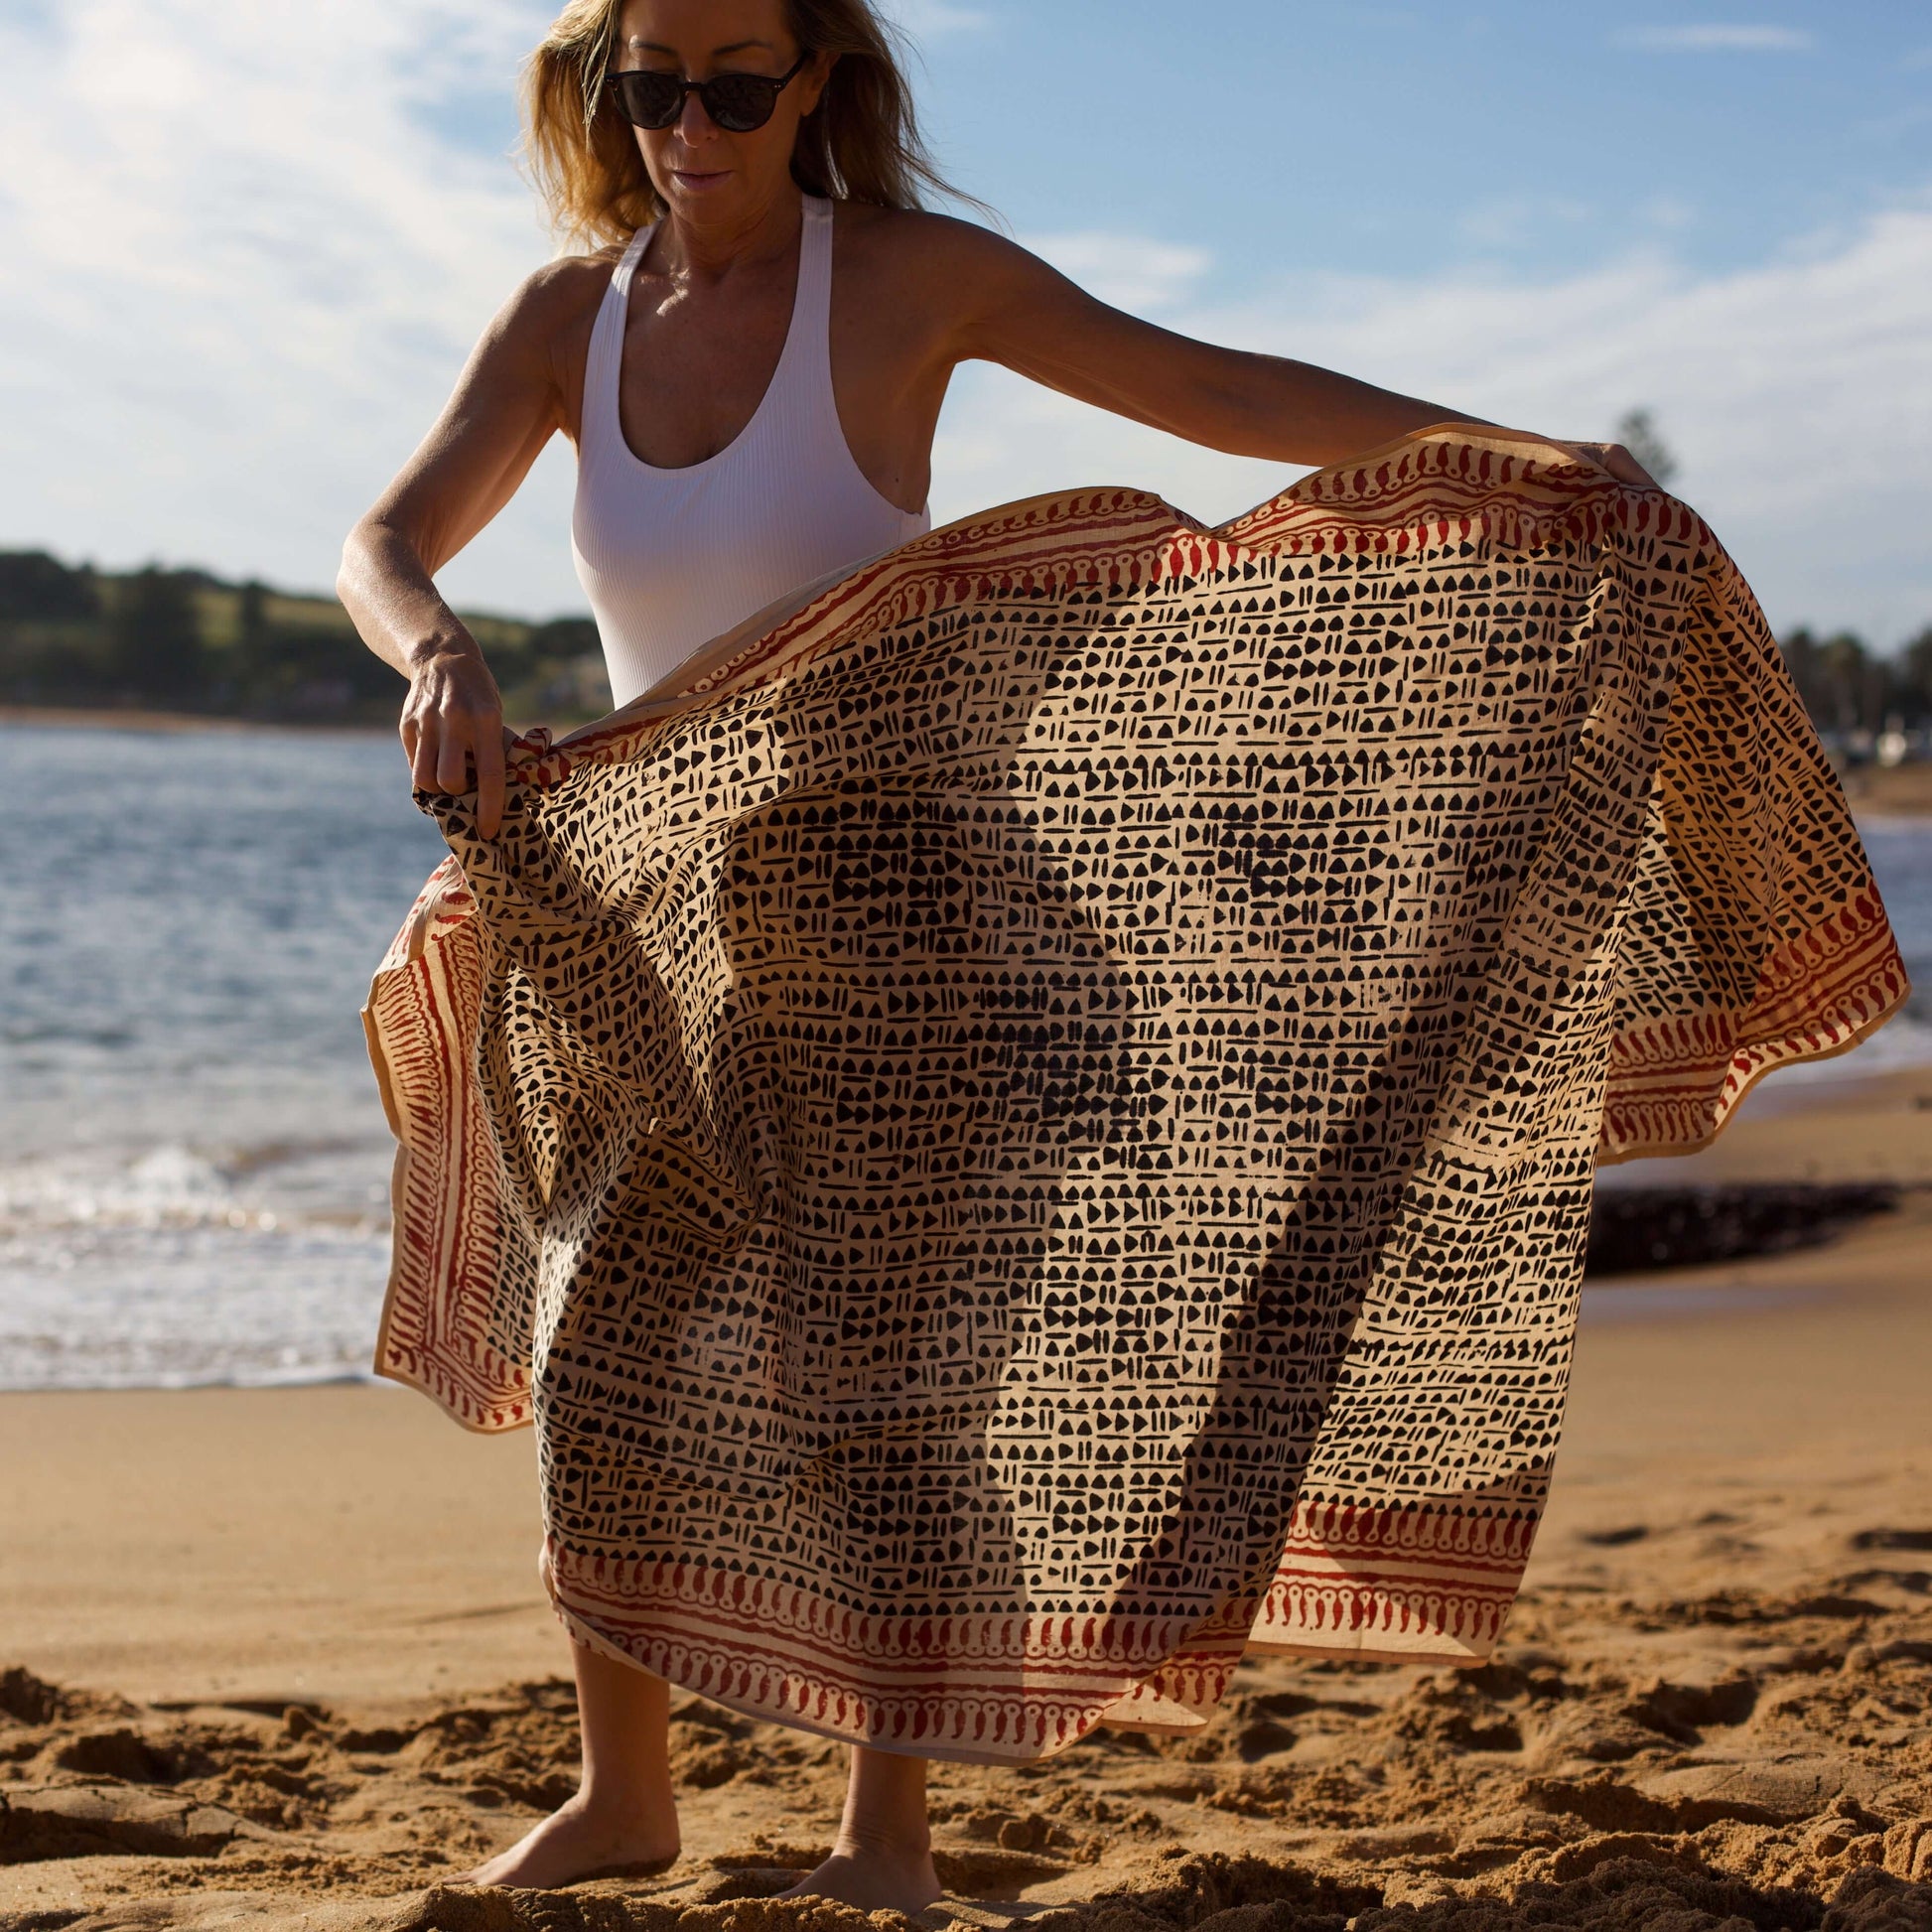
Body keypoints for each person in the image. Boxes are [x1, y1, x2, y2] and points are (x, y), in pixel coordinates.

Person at [338, 0, 1654, 1910]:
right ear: (603, 80)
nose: (687, 123)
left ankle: (888, 1840)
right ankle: (628, 1796)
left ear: (815, 85)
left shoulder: (901, 279)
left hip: (902, 902)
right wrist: (438, 647)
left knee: (883, 1375)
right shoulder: (567, 317)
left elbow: (1215, 390)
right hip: (656, 922)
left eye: (733, 84)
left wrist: (1520, 453)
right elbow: (385, 535)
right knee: (605, 1337)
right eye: (652, 83)